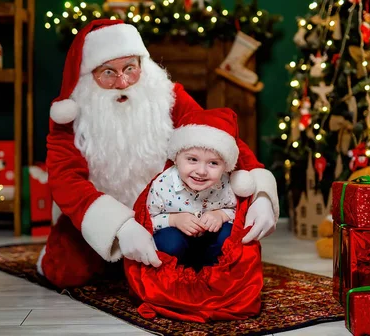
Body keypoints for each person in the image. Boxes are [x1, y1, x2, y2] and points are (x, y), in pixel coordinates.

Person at [36, 19, 279, 289]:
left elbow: (217, 135)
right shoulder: (70, 116)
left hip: (168, 211)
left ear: (142, 64)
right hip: (98, 215)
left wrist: (262, 194)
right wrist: (120, 227)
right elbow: (64, 180)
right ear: (89, 76)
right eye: (108, 73)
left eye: (130, 68)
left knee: (202, 264)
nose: (123, 82)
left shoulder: (167, 97)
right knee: (65, 273)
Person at [148, 108, 256, 269]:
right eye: (192, 159)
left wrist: (220, 215)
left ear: (225, 166)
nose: (201, 171)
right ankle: (177, 271)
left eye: (213, 163)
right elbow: (147, 220)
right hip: (177, 241)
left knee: (228, 235)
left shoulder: (225, 185)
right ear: (176, 158)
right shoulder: (163, 184)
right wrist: (174, 220)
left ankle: (212, 270)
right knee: (169, 242)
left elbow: (238, 212)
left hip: (208, 244)